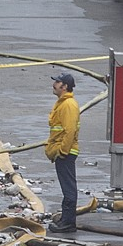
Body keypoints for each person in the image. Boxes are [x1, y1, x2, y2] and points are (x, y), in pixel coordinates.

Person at [44, 72, 80, 233]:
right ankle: (66, 220)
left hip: (65, 152)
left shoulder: (68, 105)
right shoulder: (63, 103)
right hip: (62, 151)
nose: (54, 84)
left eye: (57, 82)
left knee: (68, 188)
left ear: (64, 86)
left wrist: (62, 151)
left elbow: (70, 130)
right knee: (67, 187)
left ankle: (68, 222)